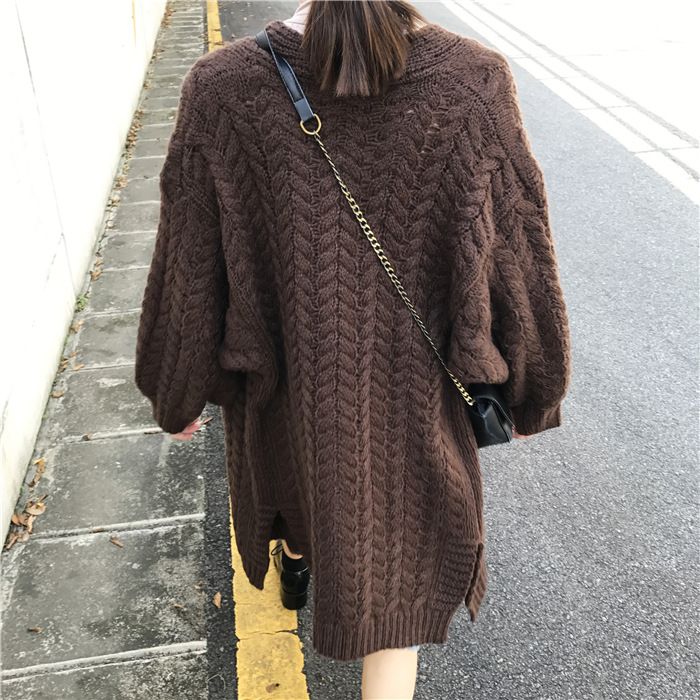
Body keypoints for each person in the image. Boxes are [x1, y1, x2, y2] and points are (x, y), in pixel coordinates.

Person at [134, 1, 572, 698]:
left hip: (287, 399)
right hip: (416, 419)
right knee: (392, 604)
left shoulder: (220, 87)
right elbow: (518, 254)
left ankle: (298, 561)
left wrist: (174, 389)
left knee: (303, 487)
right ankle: (307, 562)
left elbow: (189, 264)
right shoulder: (476, 81)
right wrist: (534, 390)